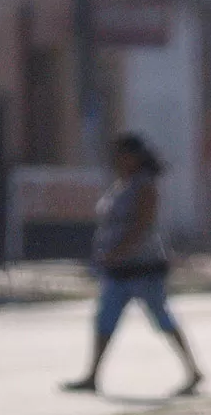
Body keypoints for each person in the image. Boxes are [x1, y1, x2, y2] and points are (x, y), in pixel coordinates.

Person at [63, 134, 203, 396]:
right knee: (105, 320)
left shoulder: (145, 186)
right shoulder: (122, 185)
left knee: (162, 319)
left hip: (143, 267)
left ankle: (193, 370)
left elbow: (142, 225)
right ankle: (92, 375)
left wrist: (118, 252)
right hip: (118, 269)